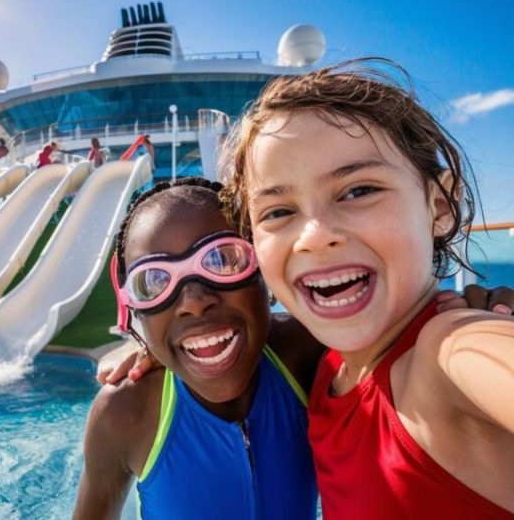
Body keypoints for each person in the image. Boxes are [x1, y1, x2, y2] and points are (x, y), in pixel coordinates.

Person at [109, 58, 514, 517]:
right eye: (278, 212)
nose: (315, 234)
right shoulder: (324, 369)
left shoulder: (451, 354)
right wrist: (167, 338)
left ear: (439, 205)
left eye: (359, 190)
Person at [74, 179, 320, 519]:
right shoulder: (128, 412)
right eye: (154, 282)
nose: (195, 302)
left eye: (222, 259)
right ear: (135, 315)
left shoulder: (305, 353)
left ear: (263, 267)